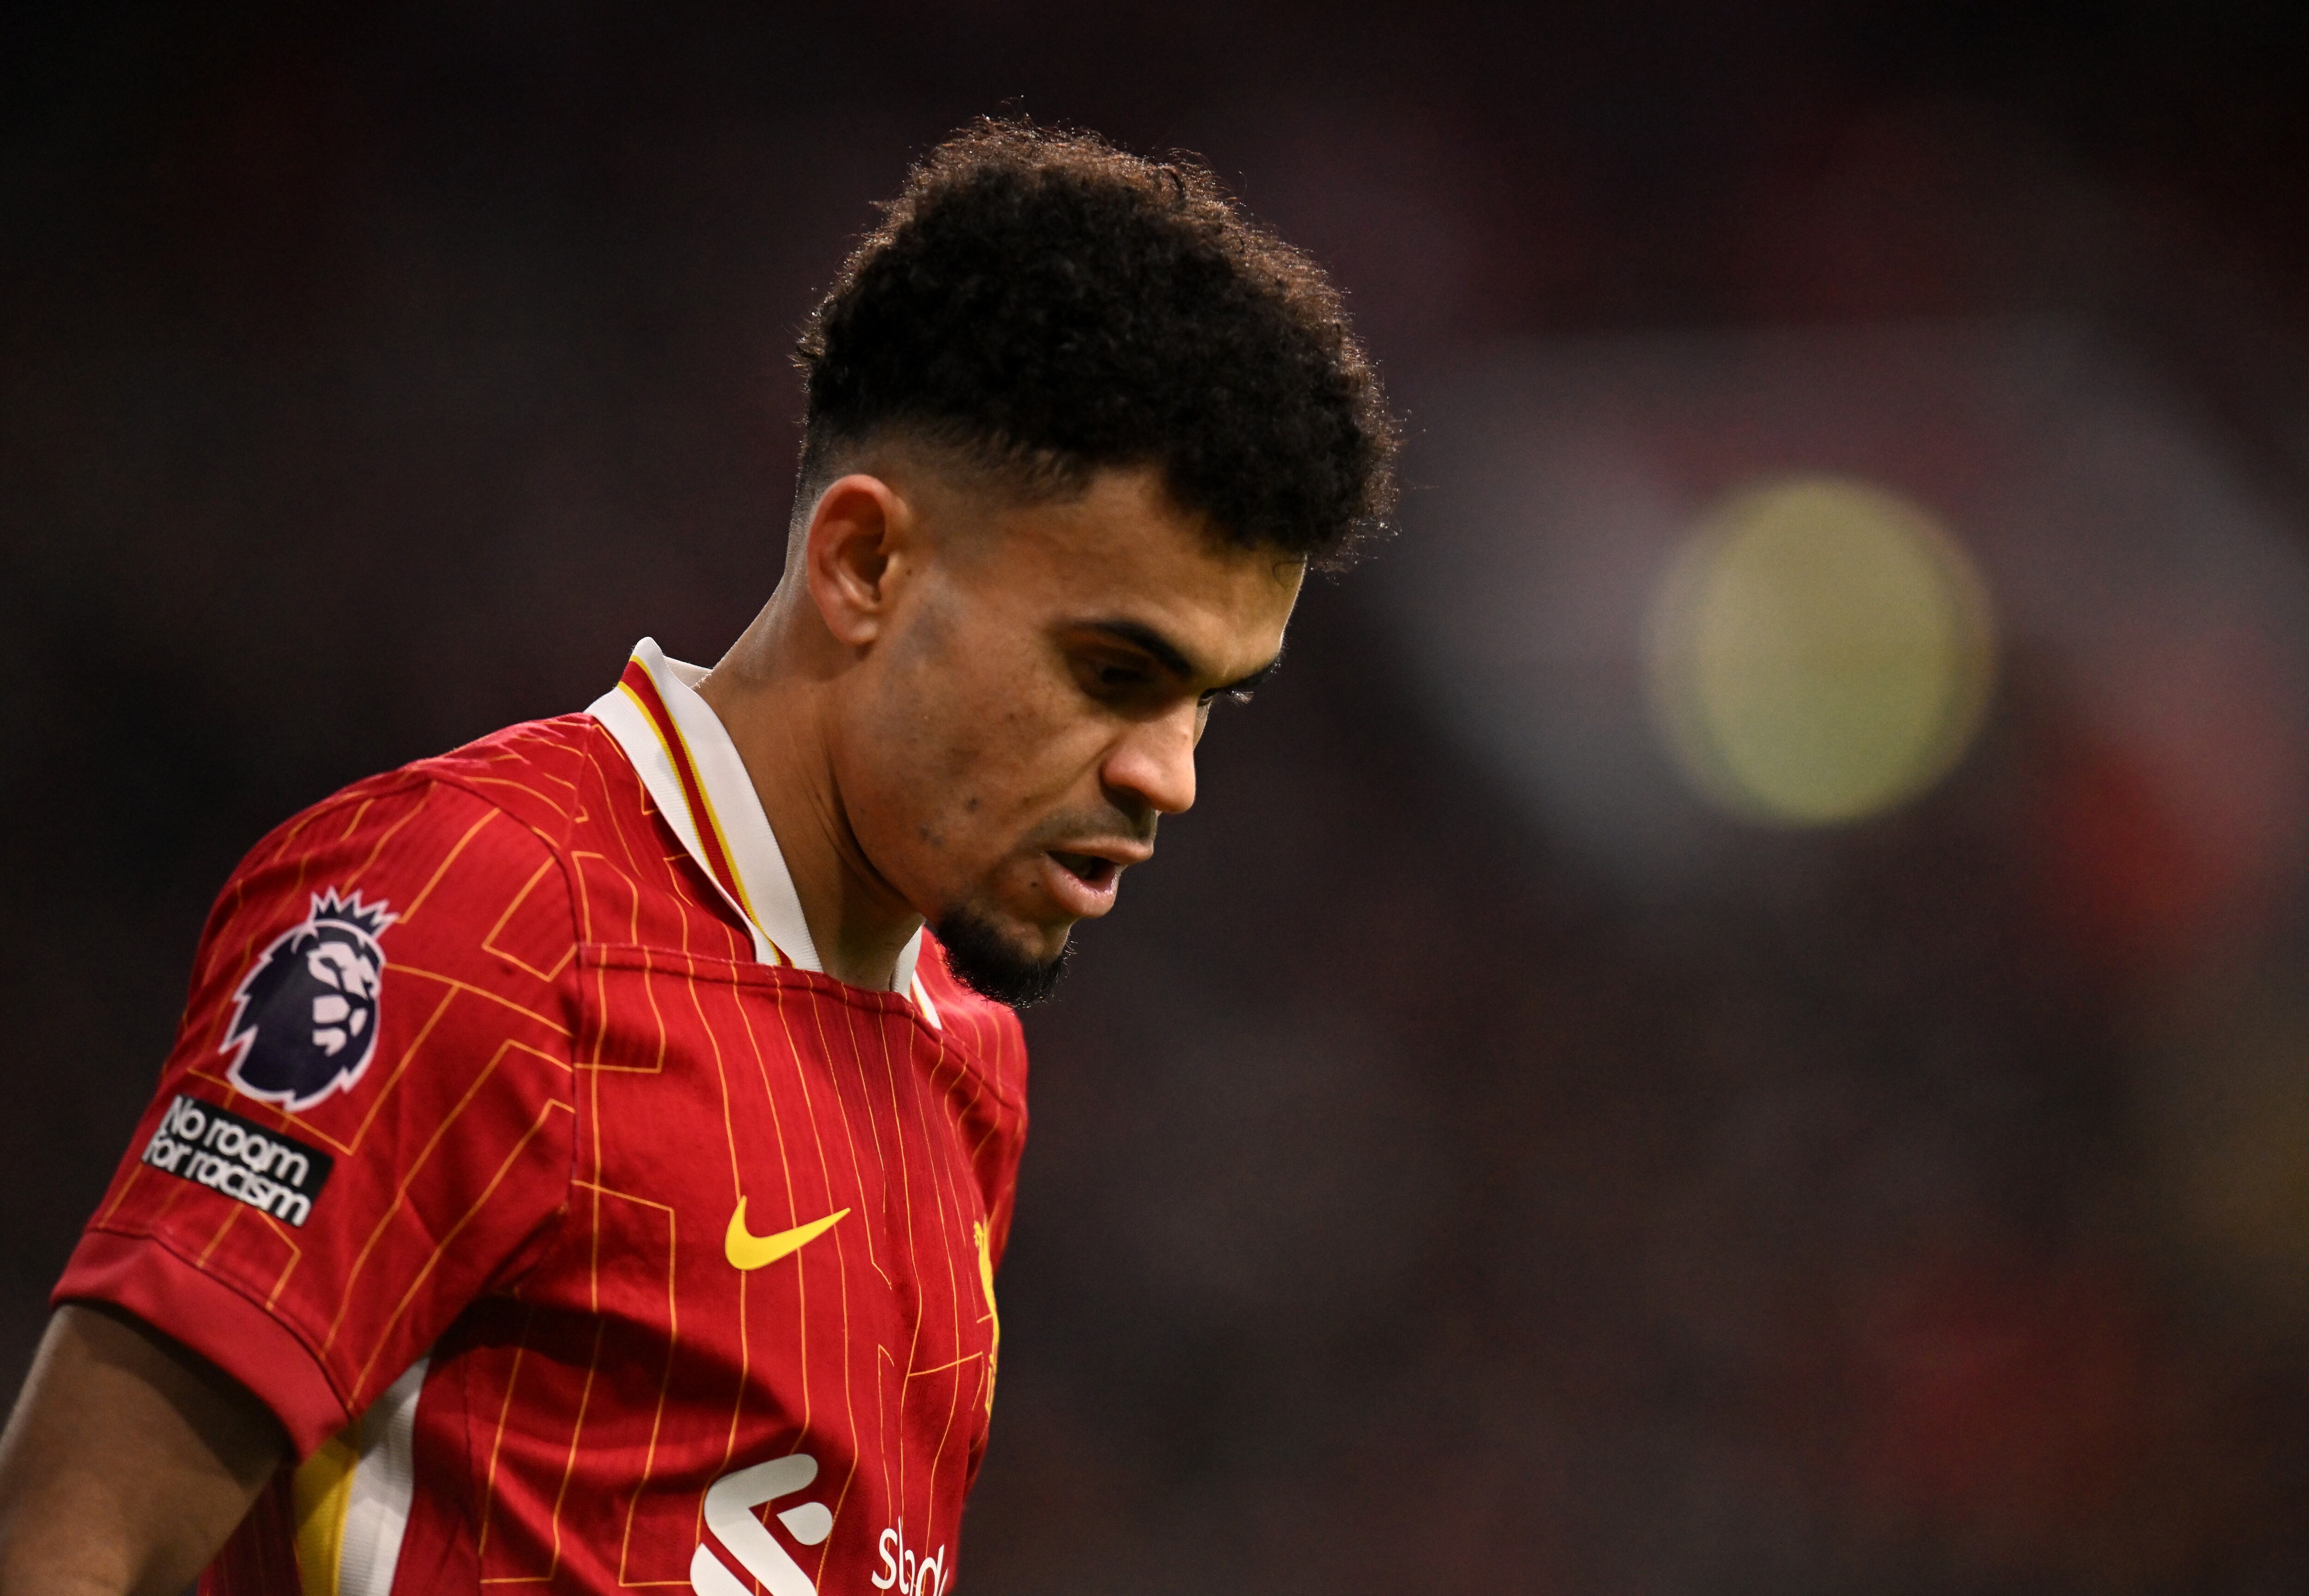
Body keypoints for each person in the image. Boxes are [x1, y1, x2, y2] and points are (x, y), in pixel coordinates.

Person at [0, 119, 1395, 1596]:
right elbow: (70, 1546)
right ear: (864, 564)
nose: (1170, 776)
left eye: (1210, 704)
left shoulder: (969, 1059)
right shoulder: (477, 907)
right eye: (1115, 673)